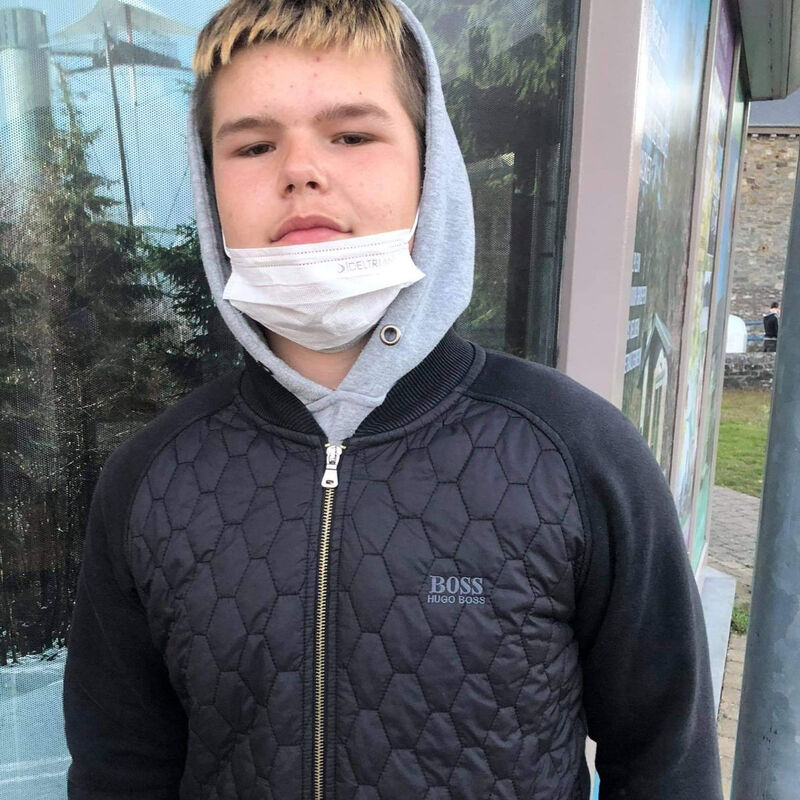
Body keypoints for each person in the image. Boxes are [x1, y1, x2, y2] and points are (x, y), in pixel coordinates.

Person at [62, 1, 723, 798]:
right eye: (254, 145)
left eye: (351, 135)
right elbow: (118, 768)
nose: (300, 170)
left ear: (429, 167)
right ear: (209, 185)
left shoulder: (579, 452)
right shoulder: (150, 478)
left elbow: (666, 762)